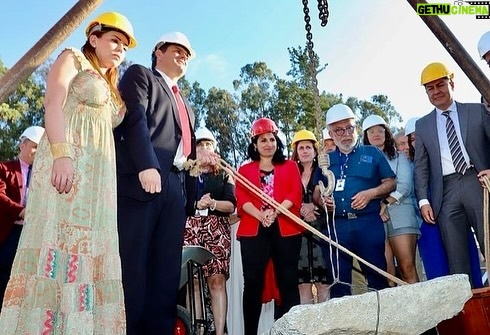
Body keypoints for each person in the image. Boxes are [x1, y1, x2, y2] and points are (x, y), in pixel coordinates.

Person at [0, 12, 136, 334]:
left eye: (125, 45)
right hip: (68, 166)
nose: (120, 49)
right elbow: (53, 101)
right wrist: (62, 154)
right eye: (114, 40)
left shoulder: (109, 83)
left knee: (89, 248)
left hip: (98, 180)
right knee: (57, 240)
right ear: (94, 38)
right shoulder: (72, 58)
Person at [115, 31, 216, 334]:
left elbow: (182, 149)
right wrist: (147, 165)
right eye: (177, 49)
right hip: (141, 183)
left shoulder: (187, 105)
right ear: (158, 51)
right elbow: (135, 120)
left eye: (187, 53)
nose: (183, 55)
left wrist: (196, 172)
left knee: (166, 273)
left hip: (174, 190)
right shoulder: (140, 75)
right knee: (134, 268)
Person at [414, 62, 490, 286]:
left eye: (440, 85)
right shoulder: (423, 125)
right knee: (457, 259)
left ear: (452, 83)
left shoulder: (477, 111)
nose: (436, 91)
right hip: (445, 193)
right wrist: (423, 200)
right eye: (430, 88)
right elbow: (420, 167)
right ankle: (468, 311)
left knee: (489, 242)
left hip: (477, 182)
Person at [320, 104, 396, 298]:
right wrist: (323, 201)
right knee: (339, 283)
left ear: (356, 127)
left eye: (350, 128)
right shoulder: (325, 159)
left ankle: (384, 324)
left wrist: (371, 193)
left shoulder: (372, 153)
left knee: (377, 277)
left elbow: (391, 182)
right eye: (339, 130)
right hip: (336, 227)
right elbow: (315, 191)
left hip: (368, 223)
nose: (346, 134)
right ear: (330, 133)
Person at [235, 117, 303, 335]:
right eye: (262, 140)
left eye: (272, 139)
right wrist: (260, 215)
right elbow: (241, 197)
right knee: (253, 283)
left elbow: (295, 193)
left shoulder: (291, 166)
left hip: (285, 226)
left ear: (277, 142)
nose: (268, 144)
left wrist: (274, 212)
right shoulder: (244, 170)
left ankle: (291, 330)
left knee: (288, 280)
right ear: (255, 144)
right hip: (254, 228)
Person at [183, 127, 236, 335]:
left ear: (215, 148)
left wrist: (213, 203)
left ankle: (220, 331)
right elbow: (181, 201)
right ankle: (196, 330)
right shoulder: (186, 172)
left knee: (216, 280)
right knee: (192, 281)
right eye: (200, 144)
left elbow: (231, 205)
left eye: (208, 144)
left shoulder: (224, 173)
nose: (204, 148)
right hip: (190, 228)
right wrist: (197, 203)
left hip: (217, 230)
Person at [362, 115, 420, 284]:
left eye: (380, 130)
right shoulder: (362, 161)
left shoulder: (399, 157)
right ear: (366, 136)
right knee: (386, 273)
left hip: (401, 213)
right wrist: (378, 207)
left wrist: (385, 203)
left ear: (386, 133)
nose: (376, 134)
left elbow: (404, 186)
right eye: (371, 132)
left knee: (407, 267)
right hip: (376, 219)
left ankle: (419, 309)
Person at [0, 126, 44, 313]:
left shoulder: (45, 175)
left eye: (40, 149)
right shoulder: (4, 168)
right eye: (34, 146)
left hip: (32, 236)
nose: (36, 152)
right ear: (22, 145)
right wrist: (22, 212)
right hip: (8, 235)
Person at [291, 130, 332, 304]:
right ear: (296, 151)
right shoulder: (290, 171)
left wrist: (313, 205)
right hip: (298, 231)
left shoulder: (324, 171)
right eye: (301, 148)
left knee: (324, 281)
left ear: (315, 151)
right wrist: (300, 207)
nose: (305, 151)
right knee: (303, 283)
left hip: (321, 230)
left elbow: (329, 195)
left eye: (309, 147)